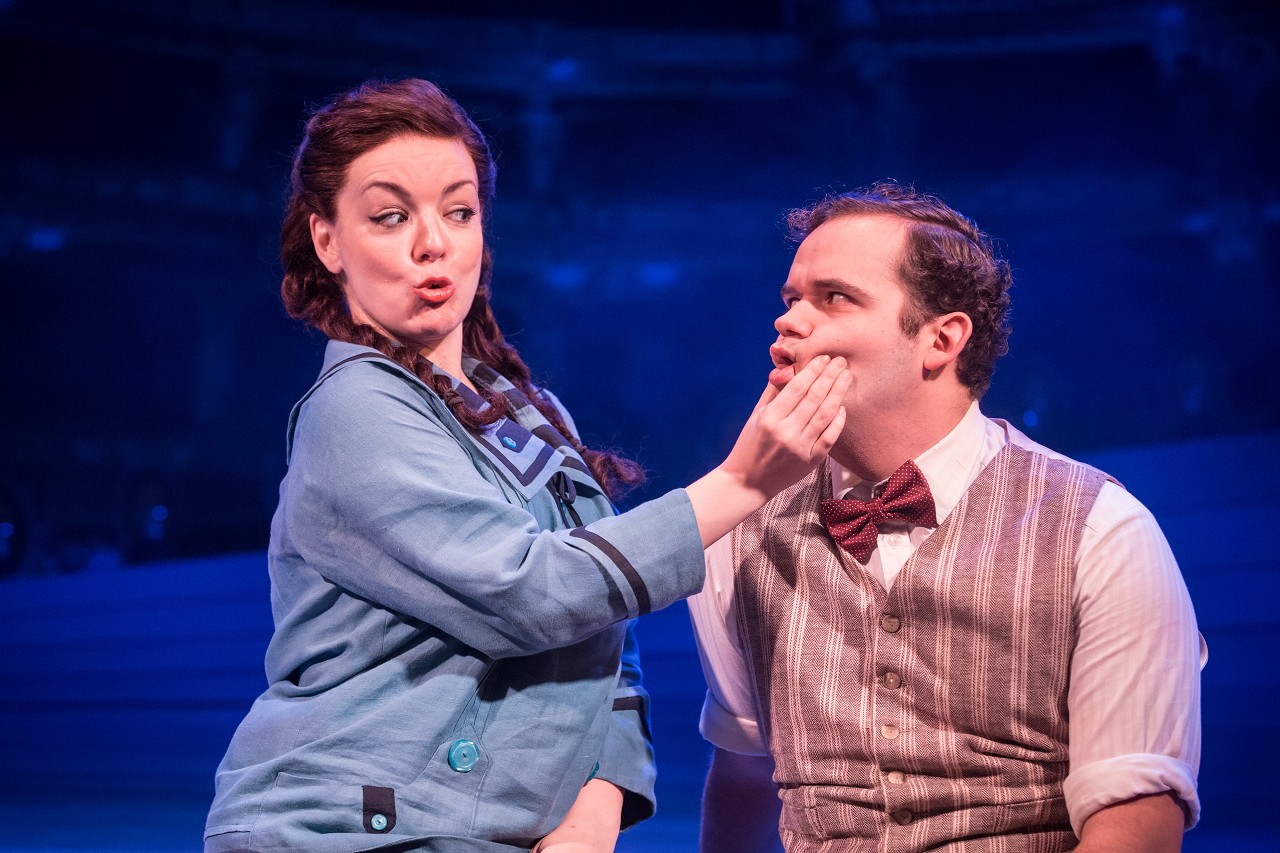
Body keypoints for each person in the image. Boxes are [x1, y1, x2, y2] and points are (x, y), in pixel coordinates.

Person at [203, 78, 850, 853]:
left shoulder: (532, 410)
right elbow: (531, 592)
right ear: (327, 241)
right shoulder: (354, 408)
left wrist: (601, 799)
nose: (432, 242)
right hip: (346, 827)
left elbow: (609, 630)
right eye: (389, 216)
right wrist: (742, 482)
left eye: (459, 210)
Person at [688, 181, 1204, 853]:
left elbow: (1135, 826)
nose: (789, 321)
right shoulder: (739, 534)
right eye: (790, 301)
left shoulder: (1102, 530)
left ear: (941, 338)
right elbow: (743, 779)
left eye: (834, 297)